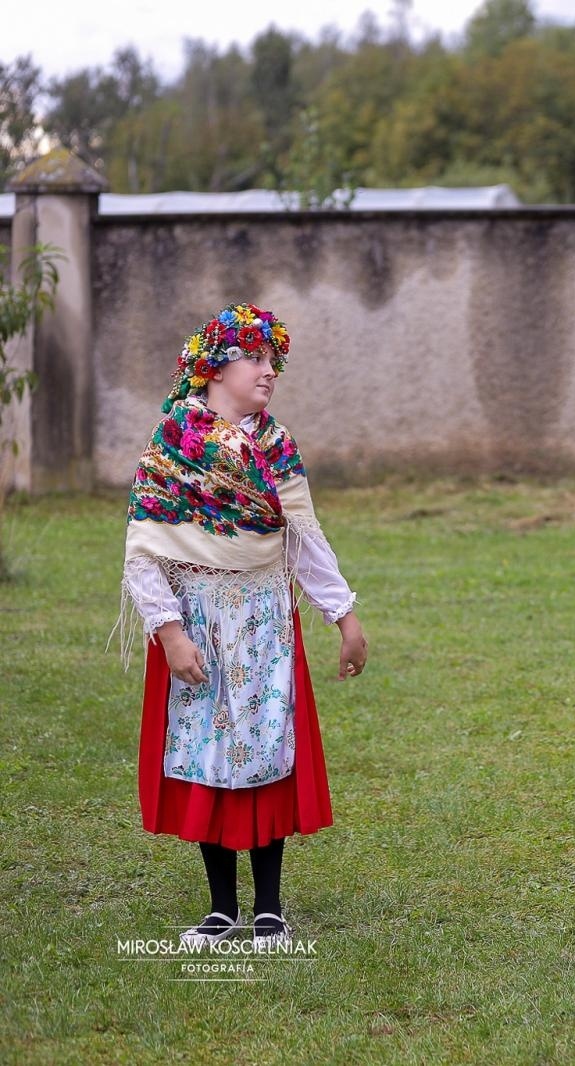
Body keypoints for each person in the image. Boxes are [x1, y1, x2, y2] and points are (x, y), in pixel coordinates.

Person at [120, 302, 367, 948]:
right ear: (215, 368)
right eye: (255, 359)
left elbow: (304, 540)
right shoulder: (173, 447)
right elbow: (144, 549)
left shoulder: (275, 449)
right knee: (204, 750)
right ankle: (221, 906)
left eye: (272, 362)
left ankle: (269, 907)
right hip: (199, 620)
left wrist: (343, 614)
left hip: (263, 619)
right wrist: (169, 631)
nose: (268, 373)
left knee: (265, 749)